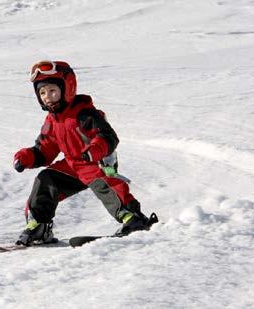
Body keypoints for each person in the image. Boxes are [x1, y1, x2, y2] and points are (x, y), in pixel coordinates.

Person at [13, 60, 157, 246]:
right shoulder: (52, 120)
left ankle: (132, 218)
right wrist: (27, 157)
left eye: (52, 91)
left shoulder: (84, 113)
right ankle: (39, 225)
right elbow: (46, 148)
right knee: (46, 179)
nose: (47, 96)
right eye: (42, 92)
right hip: (72, 165)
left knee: (105, 184)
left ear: (68, 88)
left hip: (95, 162)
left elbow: (108, 137)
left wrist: (93, 151)